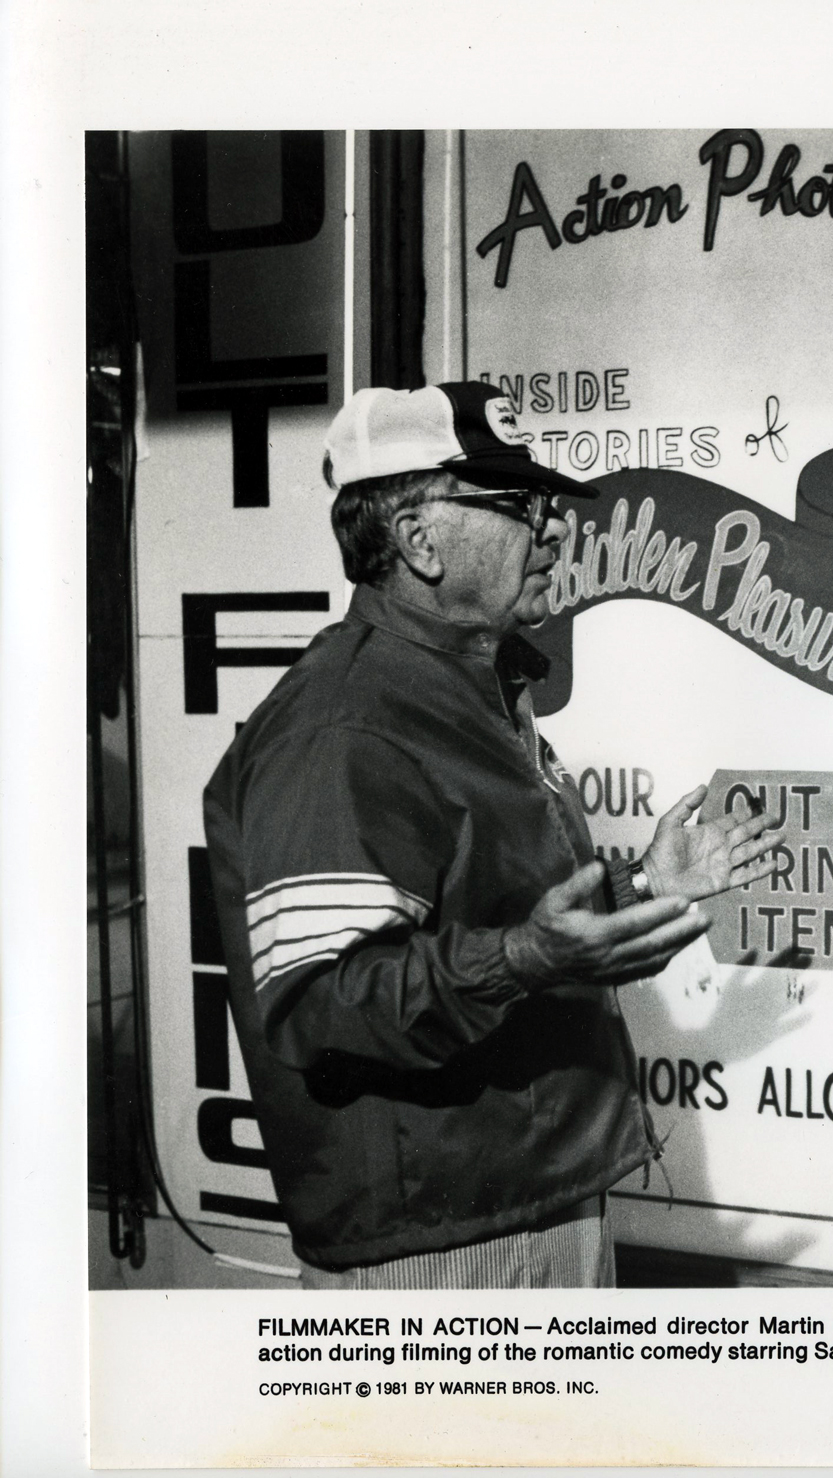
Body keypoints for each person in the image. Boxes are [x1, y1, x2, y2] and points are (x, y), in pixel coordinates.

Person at [203, 382, 781, 1289]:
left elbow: (496, 915)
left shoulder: (466, 683)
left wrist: (635, 894)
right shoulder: (344, 725)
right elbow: (321, 1004)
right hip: (441, 1241)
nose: (553, 529)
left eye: (547, 504)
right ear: (418, 539)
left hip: (531, 1198)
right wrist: (522, 956)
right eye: (518, 506)